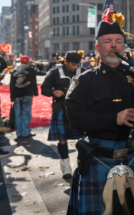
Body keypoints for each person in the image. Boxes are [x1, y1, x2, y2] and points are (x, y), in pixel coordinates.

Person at [65, 4, 134, 215]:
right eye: (107, 42)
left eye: (118, 42)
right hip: (99, 158)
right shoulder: (84, 81)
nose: (114, 46)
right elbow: (75, 119)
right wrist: (114, 118)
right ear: (97, 46)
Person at [42, 50, 86, 179]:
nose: (75, 67)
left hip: (80, 109)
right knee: (62, 139)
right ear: (65, 62)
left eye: (77, 64)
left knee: (83, 138)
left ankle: (83, 164)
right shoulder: (54, 72)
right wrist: (53, 92)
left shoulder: (83, 71)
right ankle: (66, 168)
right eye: (72, 64)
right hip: (61, 108)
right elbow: (44, 89)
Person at [10, 56, 40, 139]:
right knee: (26, 114)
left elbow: (12, 84)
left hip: (17, 95)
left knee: (17, 115)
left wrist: (12, 97)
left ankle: (19, 133)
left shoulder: (15, 70)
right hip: (27, 94)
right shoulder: (31, 69)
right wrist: (36, 65)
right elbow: (41, 72)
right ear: (28, 62)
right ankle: (25, 132)